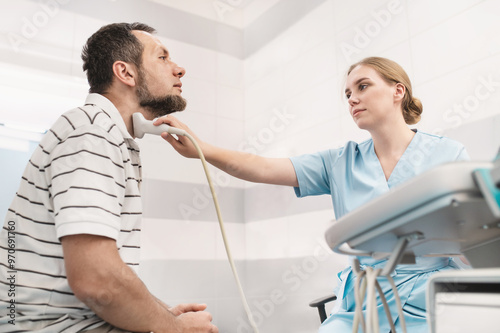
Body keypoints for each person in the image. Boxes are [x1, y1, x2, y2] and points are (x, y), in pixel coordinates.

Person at [155, 57, 469, 332]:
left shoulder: (448, 154)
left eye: (362, 87)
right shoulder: (340, 161)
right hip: (361, 305)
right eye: (347, 93)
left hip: (430, 298)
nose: (352, 99)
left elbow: (476, 233)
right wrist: (201, 148)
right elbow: (261, 168)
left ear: (397, 91)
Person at [0, 22, 218, 333]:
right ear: (126, 73)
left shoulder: (104, 134)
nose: (179, 69)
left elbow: (107, 273)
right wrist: (178, 329)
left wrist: (165, 314)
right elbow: (96, 281)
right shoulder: (93, 134)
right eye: (163, 58)